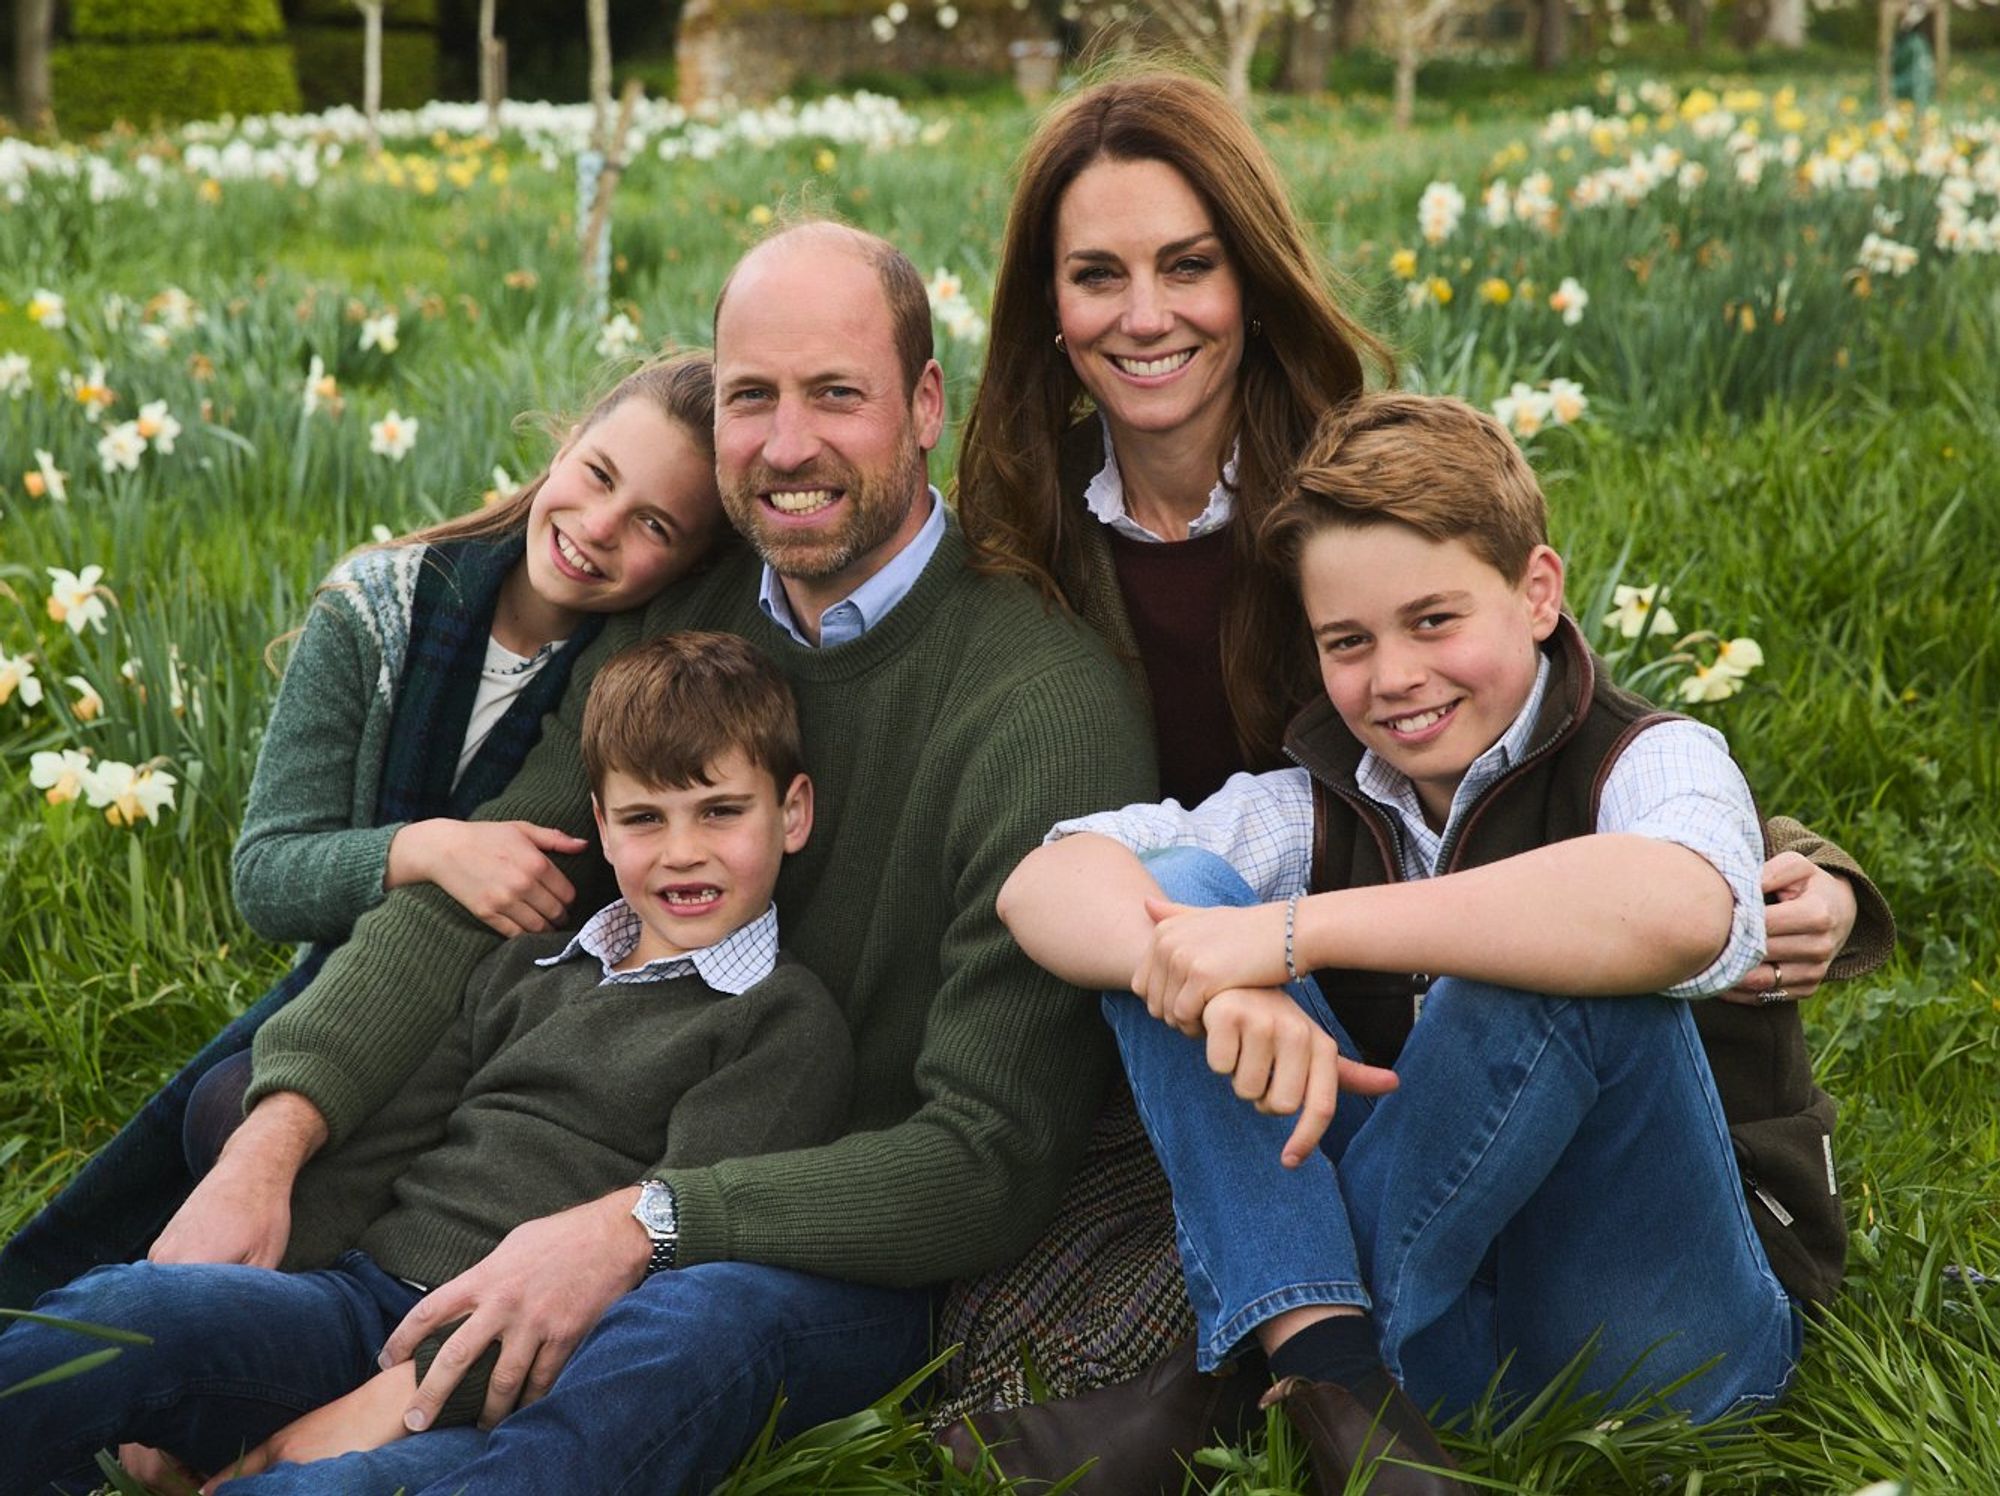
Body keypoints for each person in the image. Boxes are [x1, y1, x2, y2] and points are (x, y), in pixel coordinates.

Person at [940, 67, 1893, 1468]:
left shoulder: (1372, 497)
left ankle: (1247, 1376)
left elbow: (1661, 872)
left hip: (1651, 1307)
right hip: (1404, 1220)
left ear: (1538, 589)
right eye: (1348, 644)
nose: (1394, 675)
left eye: (1188, 265)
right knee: (1178, 888)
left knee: (1543, 947)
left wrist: (1278, 937)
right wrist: (1195, 959)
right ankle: (1340, 1388)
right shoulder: (1022, 546)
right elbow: (1050, 875)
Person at [116, 220, 1153, 1495]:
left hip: (831, 1254)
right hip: (565, 1184)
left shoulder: (1039, 701)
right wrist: (265, 1153)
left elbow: (984, 1157)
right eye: (752, 398)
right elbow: (487, 891)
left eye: (838, 394)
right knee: (142, 1297)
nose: (786, 444)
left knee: (679, 1330)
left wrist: (641, 1226)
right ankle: (257, 1380)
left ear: (925, 403)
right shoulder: (685, 616)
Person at [0, 631, 852, 1495]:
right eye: (644, 818)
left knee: (324, 1488)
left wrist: (353, 1419)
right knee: (131, 1314)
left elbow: (656, 1271)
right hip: (359, 1305)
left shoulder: (780, 1024)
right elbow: (377, 1152)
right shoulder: (528, 968)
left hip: (510, 1383)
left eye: (720, 811)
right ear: (599, 824)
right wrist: (242, 1304)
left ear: (792, 811)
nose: (681, 851)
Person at [0, 352, 726, 1315]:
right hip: (353, 988)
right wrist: (422, 848)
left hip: (509, 1021)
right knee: (223, 1118)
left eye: (653, 526)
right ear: (563, 447)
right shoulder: (377, 608)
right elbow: (265, 876)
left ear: (684, 567)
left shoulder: (634, 673)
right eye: (598, 476)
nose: (598, 530)